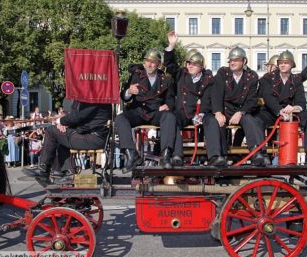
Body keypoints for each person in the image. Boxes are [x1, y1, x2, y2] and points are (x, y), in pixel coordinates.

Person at [164, 32, 226, 166]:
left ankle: (215, 156)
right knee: (172, 119)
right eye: (188, 63)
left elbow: (209, 99)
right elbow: (169, 63)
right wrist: (172, 45)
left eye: (194, 64)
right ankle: (177, 155)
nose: (190, 66)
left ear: (201, 66)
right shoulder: (181, 75)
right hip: (183, 112)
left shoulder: (209, 79)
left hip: (201, 113)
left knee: (212, 121)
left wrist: (202, 113)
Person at [256, 50, 307, 165]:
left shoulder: (296, 80)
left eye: (286, 62)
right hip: (271, 112)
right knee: (256, 119)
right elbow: (268, 97)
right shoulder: (267, 78)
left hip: (291, 112)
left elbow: (301, 101)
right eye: (281, 62)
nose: (283, 65)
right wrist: (280, 110)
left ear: (292, 64)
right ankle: (261, 154)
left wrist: (295, 108)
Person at [115, 48, 176, 173]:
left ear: (158, 64)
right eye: (148, 61)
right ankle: (131, 154)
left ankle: (165, 155)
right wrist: (128, 91)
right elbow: (124, 96)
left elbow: (170, 99)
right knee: (121, 118)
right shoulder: (137, 75)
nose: (149, 64)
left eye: (153, 62)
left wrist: (166, 106)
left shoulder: (166, 79)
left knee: (169, 117)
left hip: (156, 113)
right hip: (139, 110)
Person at [213, 46, 270, 166]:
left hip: (241, 110)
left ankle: (256, 152)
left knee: (250, 120)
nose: (232, 62)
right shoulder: (222, 73)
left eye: (236, 60)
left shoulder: (252, 76)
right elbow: (216, 94)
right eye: (231, 60)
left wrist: (241, 112)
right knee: (218, 122)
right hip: (225, 110)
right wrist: (218, 113)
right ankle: (220, 156)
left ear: (244, 61)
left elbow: (252, 100)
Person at [29, 100, 112, 182]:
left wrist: (60, 121)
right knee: (60, 135)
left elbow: (77, 116)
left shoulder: (92, 99)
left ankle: (44, 169)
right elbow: (83, 119)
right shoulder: (102, 98)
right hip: (95, 137)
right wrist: (64, 125)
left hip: (92, 138)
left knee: (51, 131)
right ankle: (62, 171)